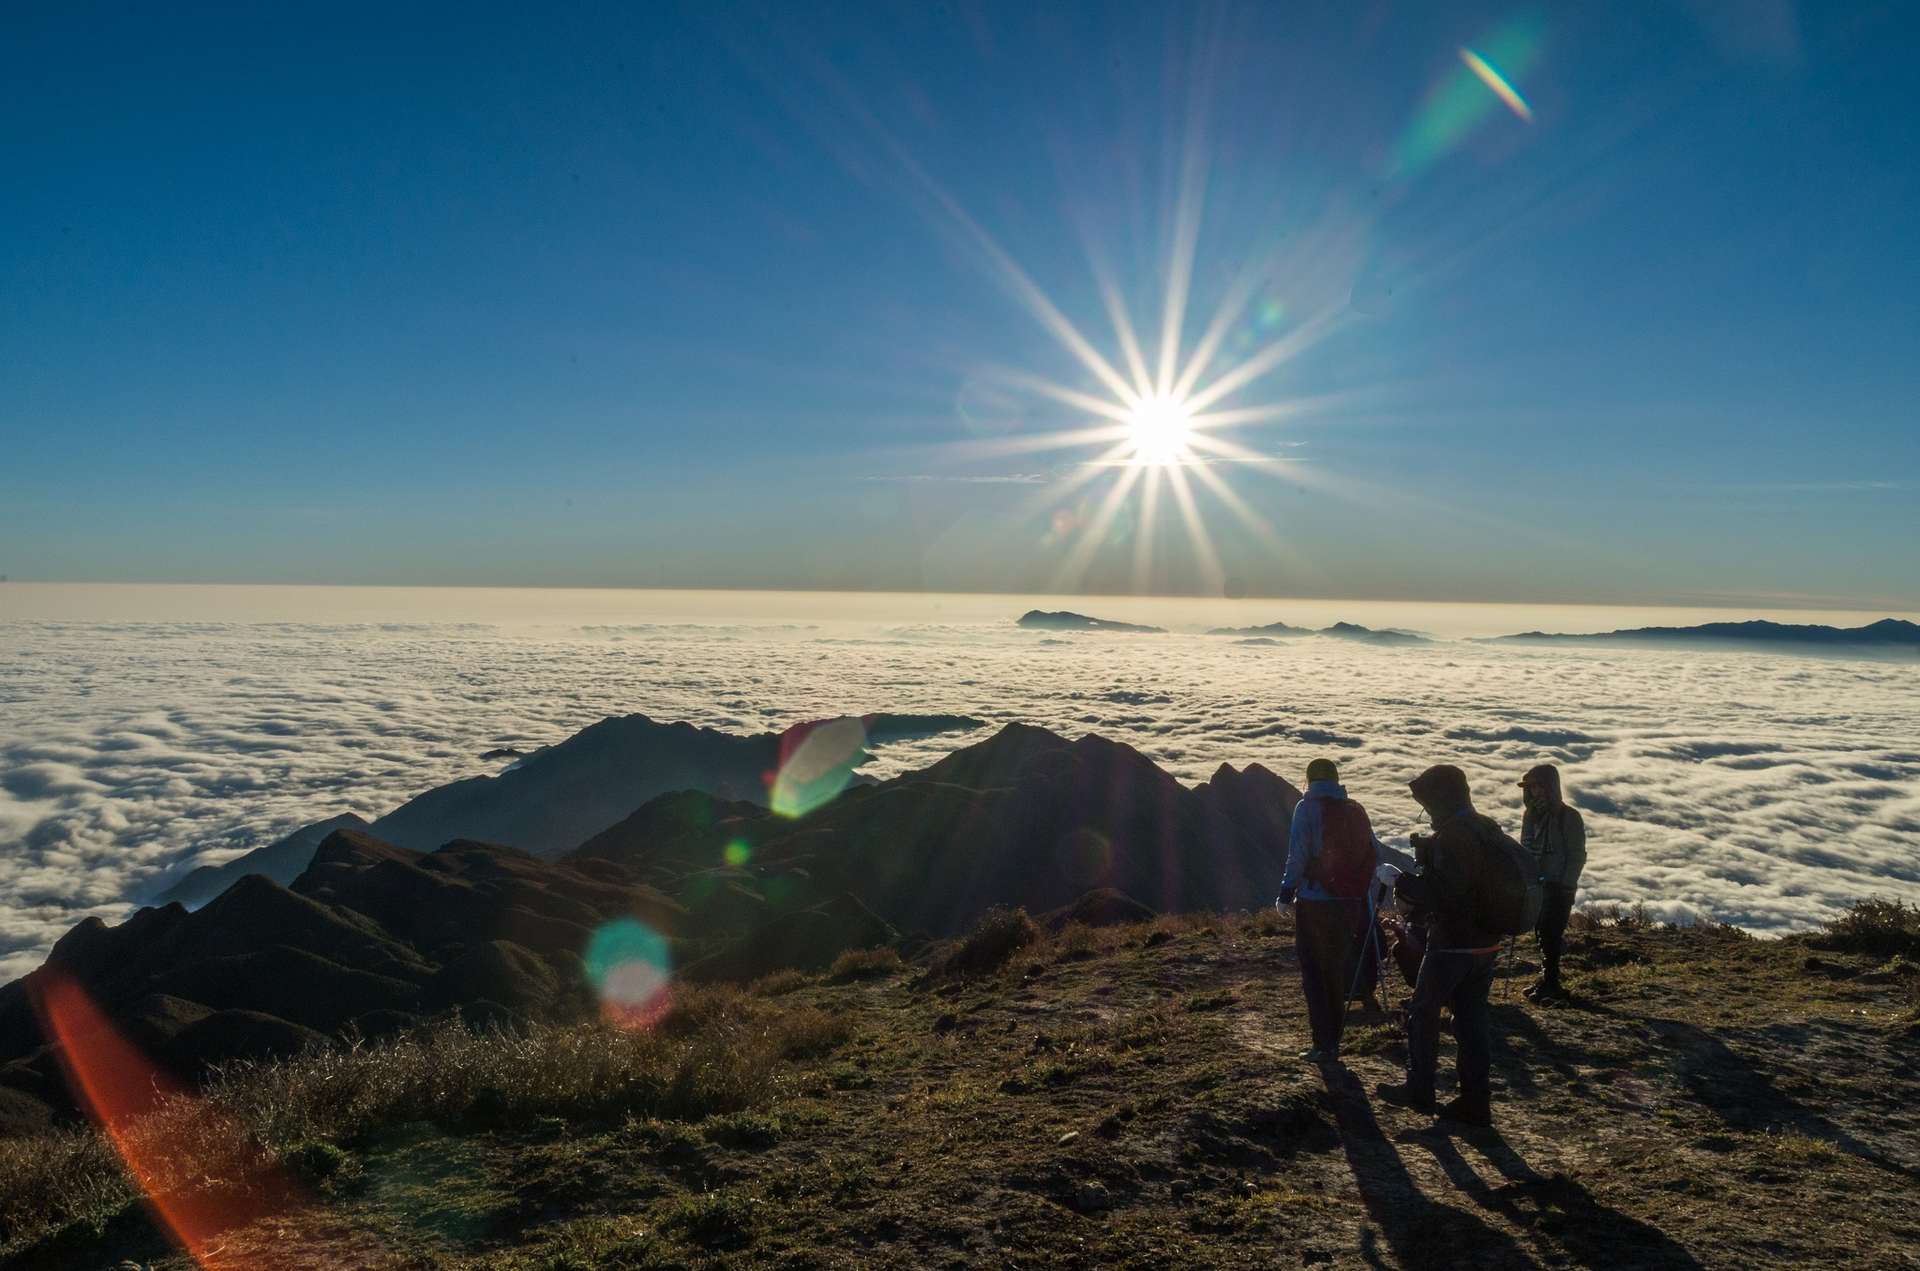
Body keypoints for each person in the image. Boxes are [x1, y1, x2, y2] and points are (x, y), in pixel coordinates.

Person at [1375, 764, 1505, 1128]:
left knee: (1423, 1011)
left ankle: (1420, 1090)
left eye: (1429, 802)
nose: (1427, 810)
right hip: (1486, 944)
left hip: (1452, 944)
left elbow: (1441, 894)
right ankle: (1475, 1104)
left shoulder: (1454, 836)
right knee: (1472, 1021)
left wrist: (1399, 881)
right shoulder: (1486, 827)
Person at [1278, 757, 1380, 1064]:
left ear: (1309, 780)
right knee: (1335, 971)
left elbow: (1297, 856)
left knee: (1314, 973)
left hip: (1315, 903)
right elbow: (1372, 851)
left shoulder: (1305, 809)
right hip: (1350, 903)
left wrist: (1286, 891)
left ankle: (1322, 1044)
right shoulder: (1355, 809)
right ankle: (1333, 1040)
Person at [1520, 763, 1586, 1001]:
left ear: (1550, 787)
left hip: (1558, 887)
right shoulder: (1531, 815)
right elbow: (1525, 849)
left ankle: (1552, 983)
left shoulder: (1568, 817)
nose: (1535, 791)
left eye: (1538, 786)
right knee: (1542, 932)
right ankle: (1547, 979)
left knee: (1551, 933)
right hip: (1537, 886)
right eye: (1531, 787)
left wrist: (1566, 885)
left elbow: (1577, 855)